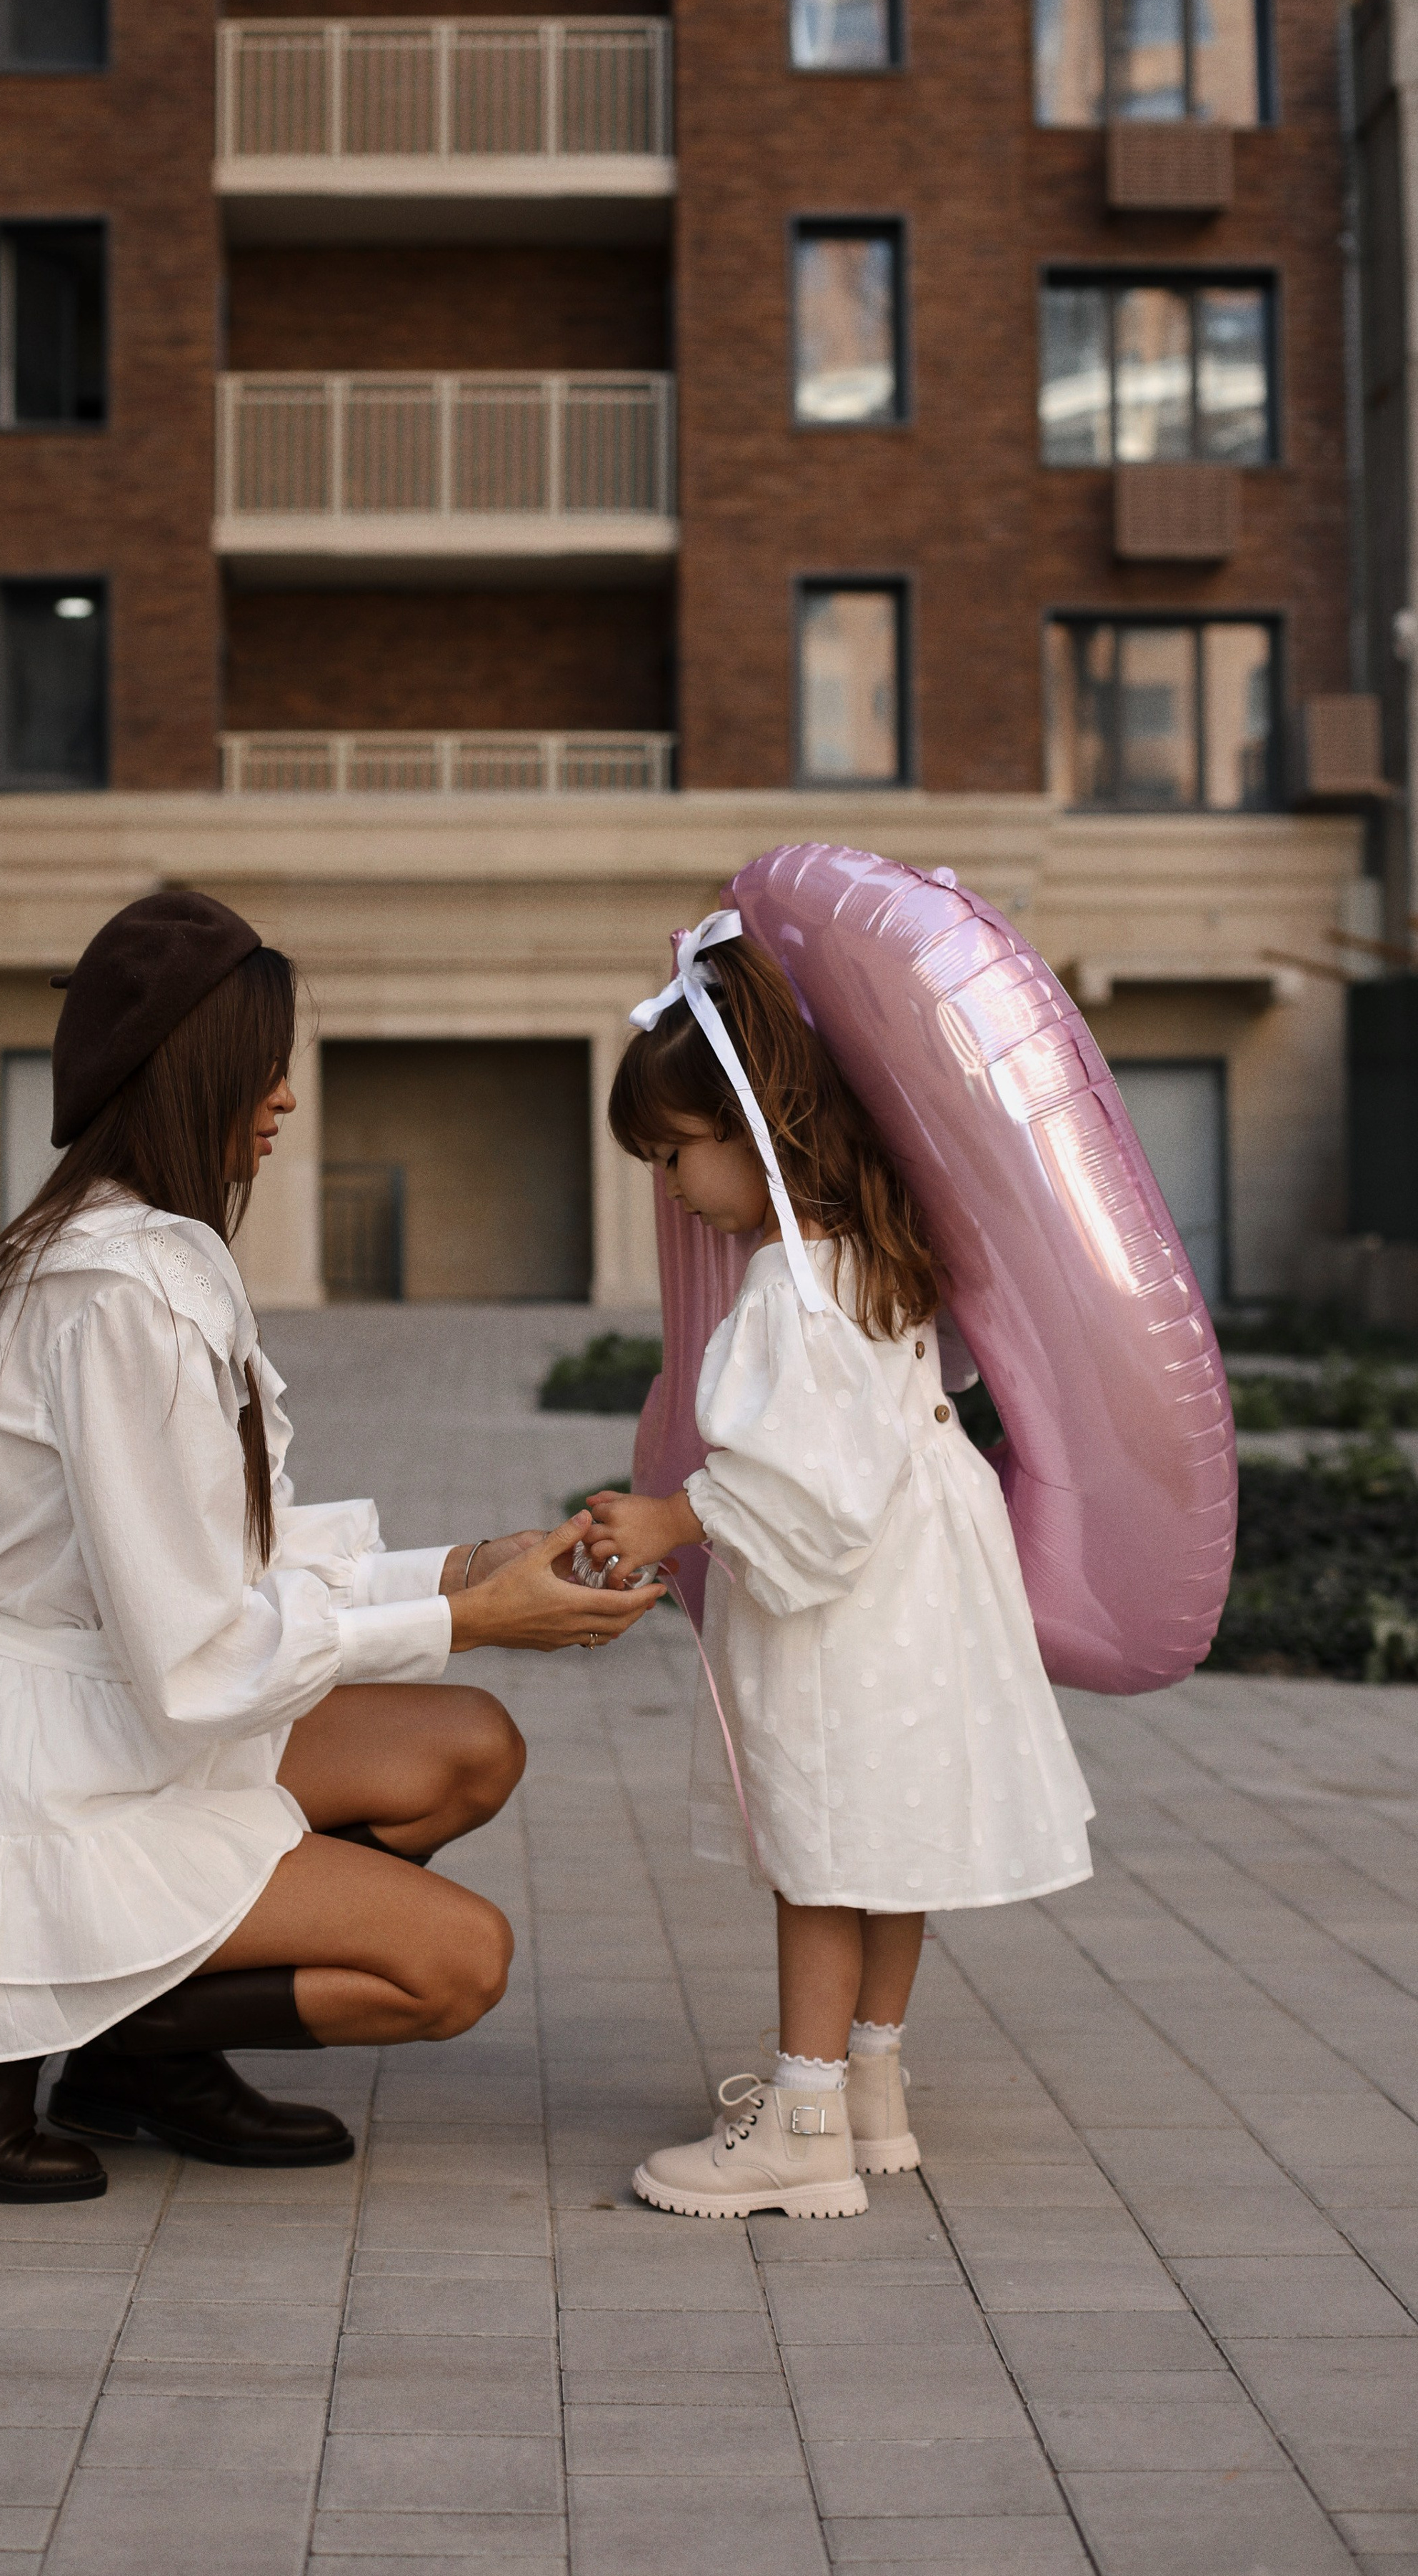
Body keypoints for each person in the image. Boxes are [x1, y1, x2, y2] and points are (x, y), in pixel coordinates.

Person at [0, 892, 661, 2203]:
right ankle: (20, 2033)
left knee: (468, 1742)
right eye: (262, 1063)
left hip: (123, 1708)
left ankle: (139, 2064)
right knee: (456, 1963)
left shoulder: (139, 1250)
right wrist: (472, 1620)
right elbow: (194, 1654)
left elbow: (222, 1553)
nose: (285, 1096)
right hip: (64, 1759)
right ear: (188, 1073)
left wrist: (461, 1568)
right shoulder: (122, 1287)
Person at [582, 920, 1094, 2220]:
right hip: (925, 1588)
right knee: (884, 1843)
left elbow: (803, 1490)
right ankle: (874, 2088)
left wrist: (668, 1517)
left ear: (753, 1128)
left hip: (850, 1609)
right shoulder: (874, 1253)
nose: (670, 1186)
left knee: (817, 1848)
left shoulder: (791, 1286)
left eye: (676, 1152)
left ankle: (802, 2126)